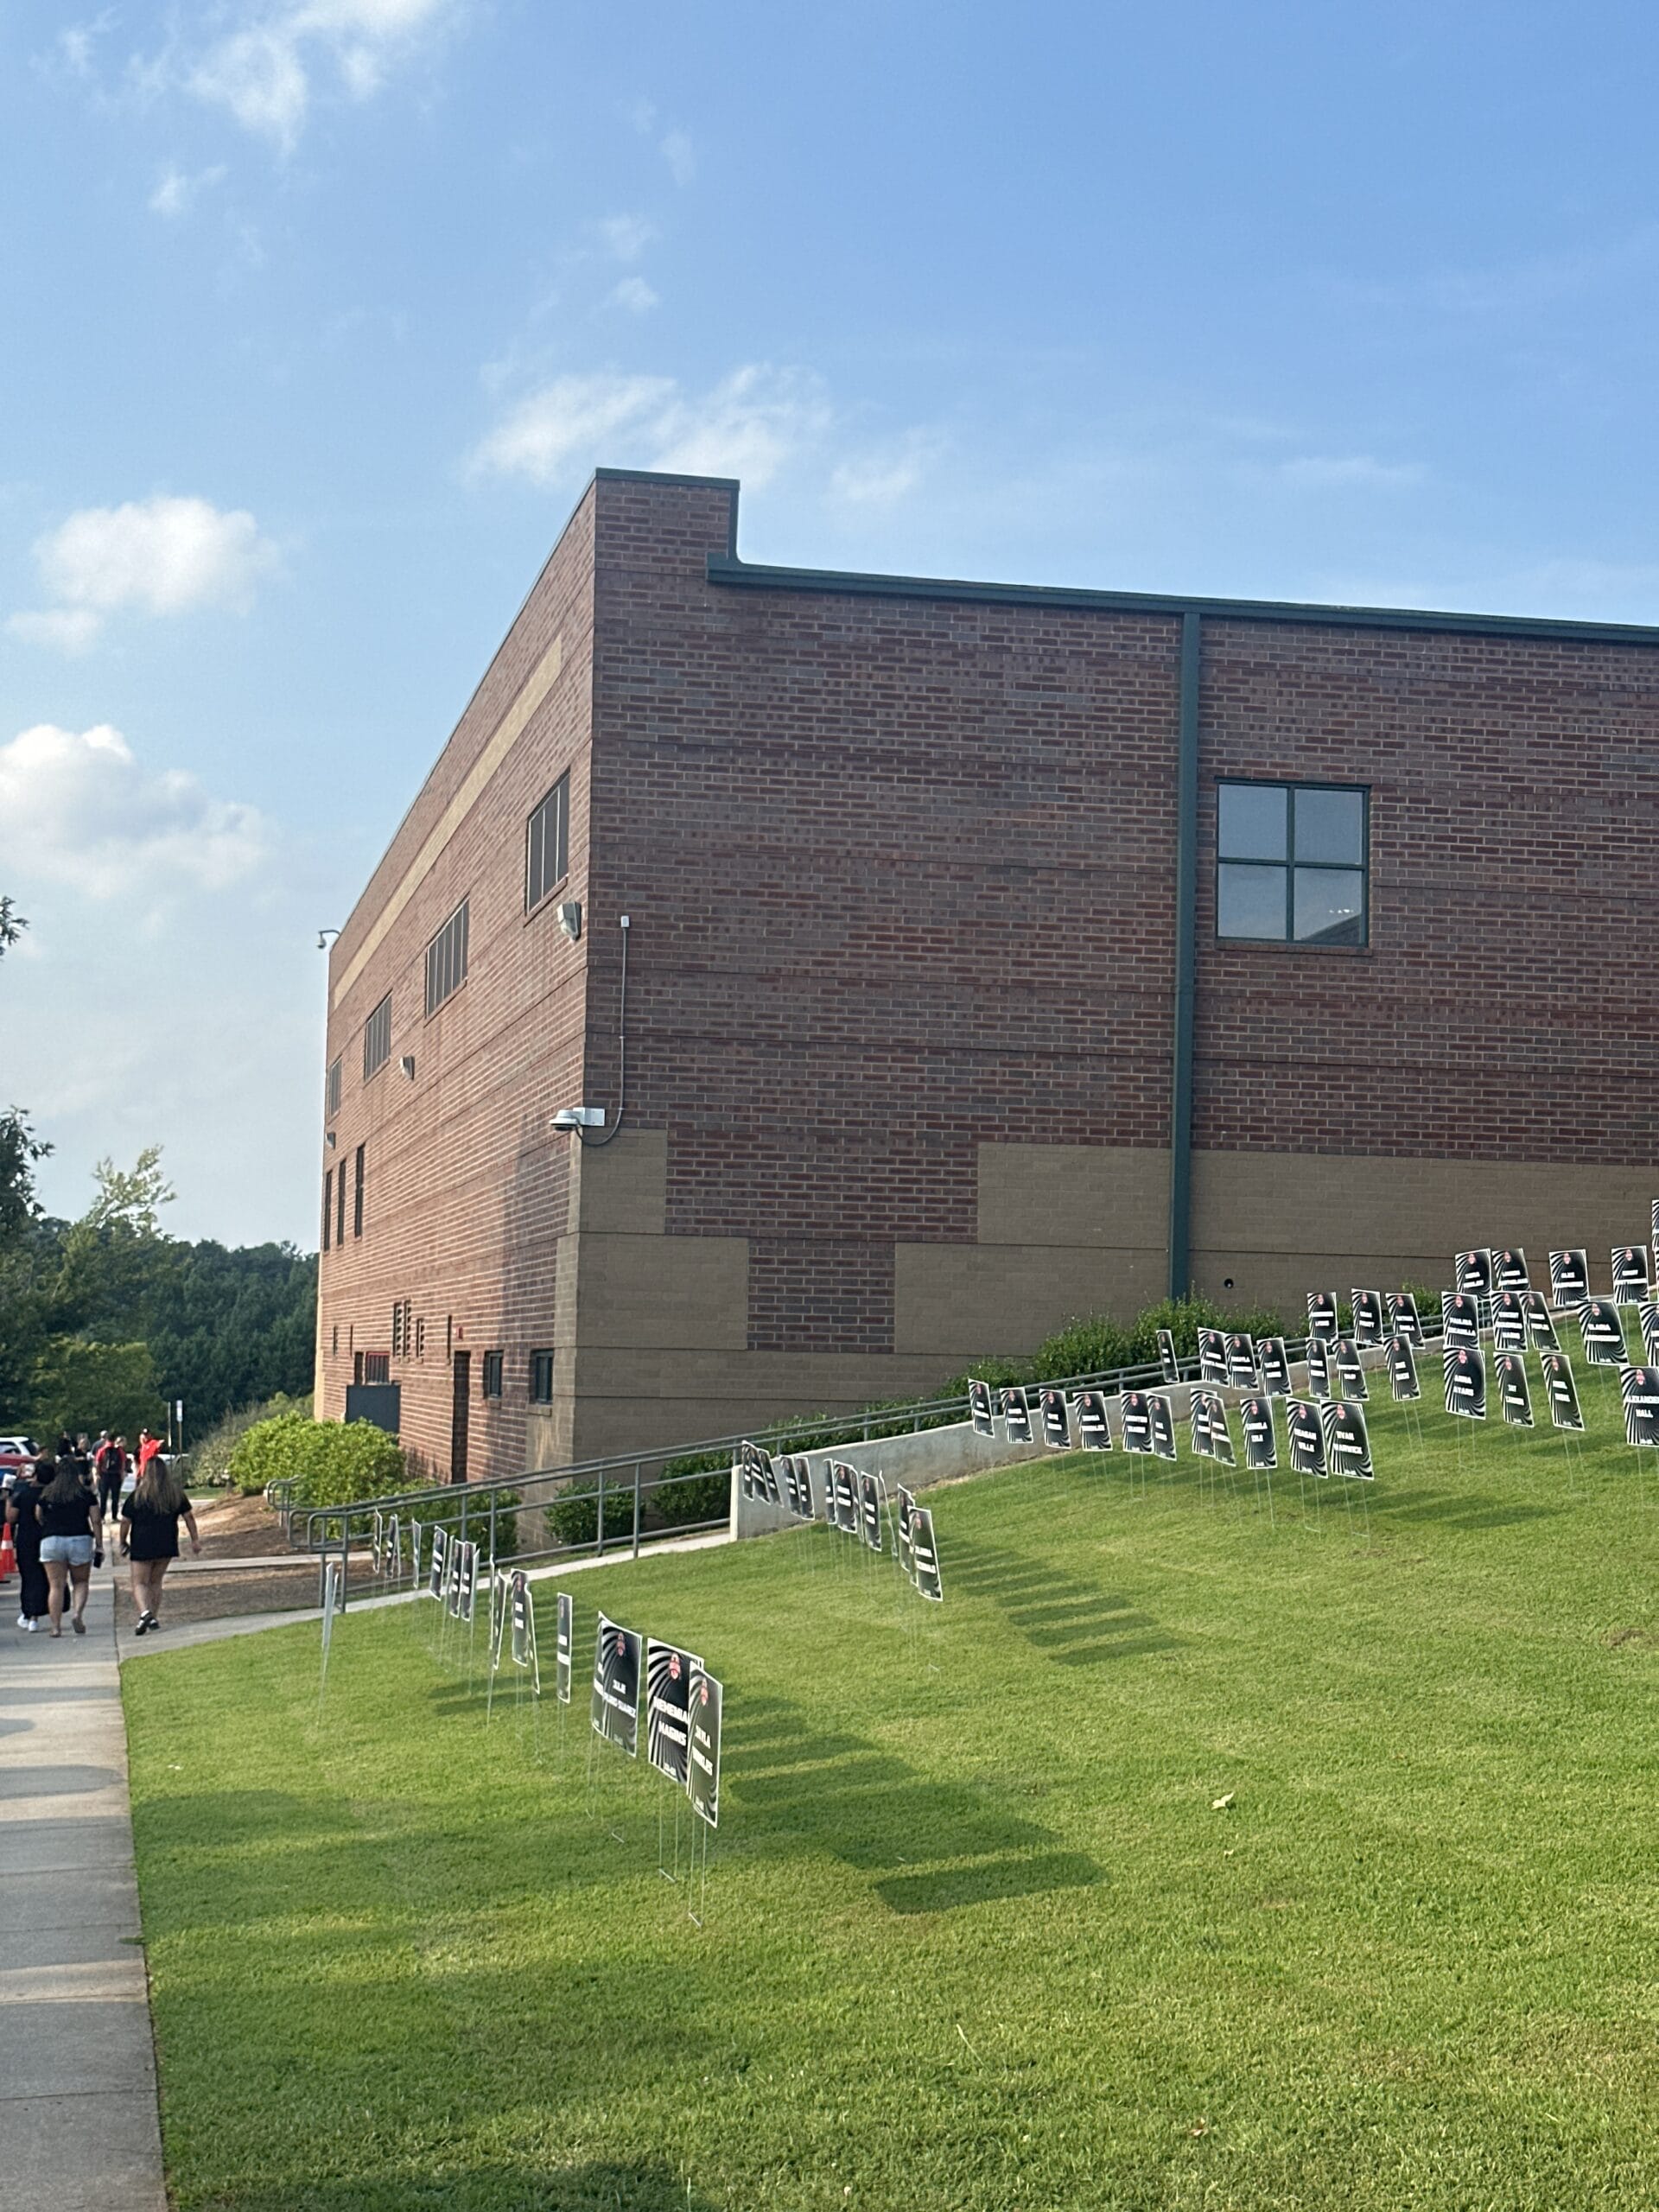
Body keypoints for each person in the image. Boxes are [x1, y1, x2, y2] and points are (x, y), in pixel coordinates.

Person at [119, 1457, 200, 1635]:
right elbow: (188, 1516)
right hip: (166, 1542)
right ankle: (153, 1616)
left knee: (139, 1582)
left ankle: (144, 1612)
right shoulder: (174, 1495)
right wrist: (195, 1539)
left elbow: (125, 1521)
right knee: (156, 1581)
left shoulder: (138, 1496)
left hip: (142, 1543)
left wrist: (122, 1541)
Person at [35, 1453, 99, 1637]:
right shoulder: (85, 1494)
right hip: (79, 1538)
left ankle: (56, 1627)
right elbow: (96, 1520)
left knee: (56, 1586)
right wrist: (99, 1543)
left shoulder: (47, 1494)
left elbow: (38, 1515)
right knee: (80, 1582)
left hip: (51, 1540)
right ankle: (77, 1613)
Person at [7, 1454, 50, 1631]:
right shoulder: (51, 1495)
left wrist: (9, 1496)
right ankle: (43, 1610)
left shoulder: (24, 1494)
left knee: (29, 1577)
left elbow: (11, 1518)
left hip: (26, 1538)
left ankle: (30, 1614)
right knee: (45, 1577)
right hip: (47, 1537)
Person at [93, 1433, 129, 1527]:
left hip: (104, 1475)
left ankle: (102, 1517)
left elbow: (97, 1462)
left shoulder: (102, 1450)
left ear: (106, 1440)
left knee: (103, 1497)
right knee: (115, 1497)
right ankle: (114, 1516)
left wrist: (98, 1473)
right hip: (115, 1475)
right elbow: (123, 1462)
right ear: (114, 1440)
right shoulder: (119, 1450)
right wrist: (121, 1473)